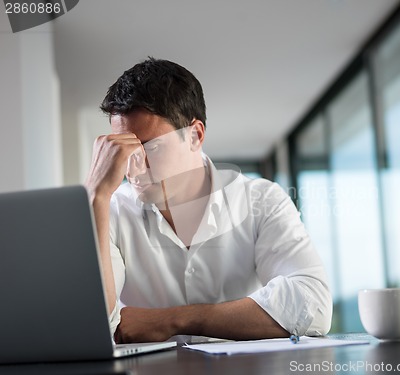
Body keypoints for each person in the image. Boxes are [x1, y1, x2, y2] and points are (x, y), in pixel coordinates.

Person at [85, 57, 332, 344]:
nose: (133, 169)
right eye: (123, 151)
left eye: (150, 148)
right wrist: (94, 194)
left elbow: (313, 306)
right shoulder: (110, 211)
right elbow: (93, 325)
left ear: (195, 136)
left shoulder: (261, 200)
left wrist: (175, 320)